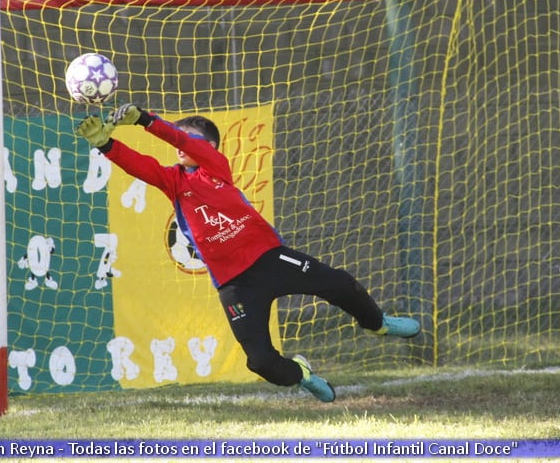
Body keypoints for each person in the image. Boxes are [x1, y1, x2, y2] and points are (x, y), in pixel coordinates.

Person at [75, 104, 421, 402]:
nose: (179, 145)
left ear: (208, 146)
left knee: (341, 284)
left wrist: (147, 120)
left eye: (188, 138)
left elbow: (178, 138)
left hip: (269, 259)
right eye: (179, 138)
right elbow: (140, 165)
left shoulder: (216, 166)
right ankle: (302, 375)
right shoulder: (175, 181)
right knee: (261, 362)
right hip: (234, 284)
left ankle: (377, 324)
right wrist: (106, 144)